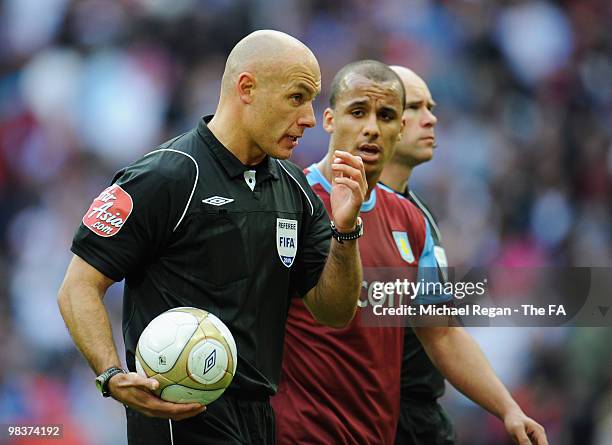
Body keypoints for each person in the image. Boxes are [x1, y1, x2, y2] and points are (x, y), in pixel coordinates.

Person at [57, 30, 367, 445]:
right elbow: (78, 286)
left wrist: (346, 232)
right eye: (297, 98)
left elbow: (334, 311)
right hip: (178, 417)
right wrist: (111, 375)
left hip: (260, 417)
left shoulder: (295, 190)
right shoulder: (166, 176)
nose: (310, 118)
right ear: (247, 88)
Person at [272, 60, 549, 445]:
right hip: (300, 434)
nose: (371, 127)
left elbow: (441, 334)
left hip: (378, 434)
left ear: (397, 128)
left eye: (385, 116)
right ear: (330, 120)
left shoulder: (410, 220)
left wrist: (508, 408)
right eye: (358, 112)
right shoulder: (290, 201)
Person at [379, 65, 455, 445]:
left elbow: (442, 333)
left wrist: (507, 407)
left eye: (431, 106)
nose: (432, 118)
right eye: (417, 107)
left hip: (419, 419)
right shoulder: (328, 205)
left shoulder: (420, 216)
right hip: (367, 416)